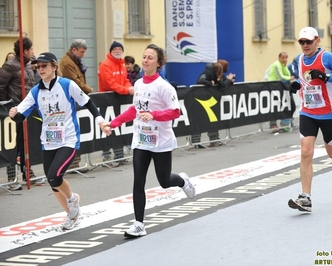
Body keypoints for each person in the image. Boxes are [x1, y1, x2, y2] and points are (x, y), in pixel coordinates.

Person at [102, 44, 195, 237]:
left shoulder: (164, 86)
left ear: (158, 63)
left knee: (164, 181)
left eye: (150, 58)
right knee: (138, 181)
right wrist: (114, 123)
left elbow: (175, 112)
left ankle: (182, 181)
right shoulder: (138, 84)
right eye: (144, 57)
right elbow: (134, 110)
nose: (145, 60)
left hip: (161, 141)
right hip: (141, 140)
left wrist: (153, 115)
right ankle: (138, 224)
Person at [8, 52, 108, 230]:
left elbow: (88, 103)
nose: (41, 69)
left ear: (54, 67)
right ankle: (71, 215)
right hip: (49, 141)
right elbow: (20, 116)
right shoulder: (36, 91)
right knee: (53, 182)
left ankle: (72, 199)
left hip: (68, 140)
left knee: (55, 175)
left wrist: (100, 121)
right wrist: (14, 114)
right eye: (38, 67)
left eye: (44, 66)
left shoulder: (67, 85)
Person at [287, 27, 332, 213]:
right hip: (307, 112)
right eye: (302, 42)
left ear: (316, 40)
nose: (305, 45)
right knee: (306, 152)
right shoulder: (299, 60)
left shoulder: (326, 57)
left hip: (329, 113)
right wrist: (297, 84)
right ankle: (305, 197)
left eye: (308, 41)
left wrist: (326, 76)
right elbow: (306, 80)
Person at [0, 37, 45, 190]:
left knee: (26, 143)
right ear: (25, 50)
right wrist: (7, 106)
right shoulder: (10, 66)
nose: (33, 52)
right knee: (13, 145)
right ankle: (12, 178)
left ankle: (28, 173)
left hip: (27, 110)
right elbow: (0, 86)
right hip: (14, 110)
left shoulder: (28, 65)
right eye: (31, 49)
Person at [59, 39, 94, 173]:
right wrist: (88, 89)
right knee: (71, 132)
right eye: (81, 52)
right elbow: (75, 82)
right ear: (74, 50)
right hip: (70, 101)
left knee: (76, 130)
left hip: (76, 99)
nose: (83, 55)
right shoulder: (67, 63)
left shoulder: (74, 61)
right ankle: (72, 164)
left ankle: (75, 163)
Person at [98, 41, 134, 167]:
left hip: (119, 100)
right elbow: (109, 84)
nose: (118, 51)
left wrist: (130, 87)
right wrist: (127, 90)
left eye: (120, 49)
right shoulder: (105, 65)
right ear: (111, 51)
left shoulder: (122, 64)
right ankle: (106, 157)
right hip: (107, 100)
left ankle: (119, 155)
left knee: (119, 128)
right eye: (115, 49)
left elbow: (125, 80)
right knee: (107, 128)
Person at [191, 61, 234, 148]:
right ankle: (196, 142)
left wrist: (229, 81)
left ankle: (214, 139)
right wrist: (210, 83)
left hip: (210, 100)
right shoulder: (207, 73)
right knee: (199, 120)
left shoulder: (218, 74)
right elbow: (201, 80)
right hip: (200, 99)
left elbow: (223, 84)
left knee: (212, 119)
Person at [267, 52, 294, 133]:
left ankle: (285, 123)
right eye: (283, 57)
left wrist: (285, 66)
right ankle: (273, 125)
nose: (284, 59)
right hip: (273, 87)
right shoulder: (276, 65)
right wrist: (290, 78)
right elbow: (281, 77)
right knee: (275, 105)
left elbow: (287, 74)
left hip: (281, 87)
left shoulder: (282, 65)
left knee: (287, 104)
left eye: (286, 57)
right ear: (279, 58)